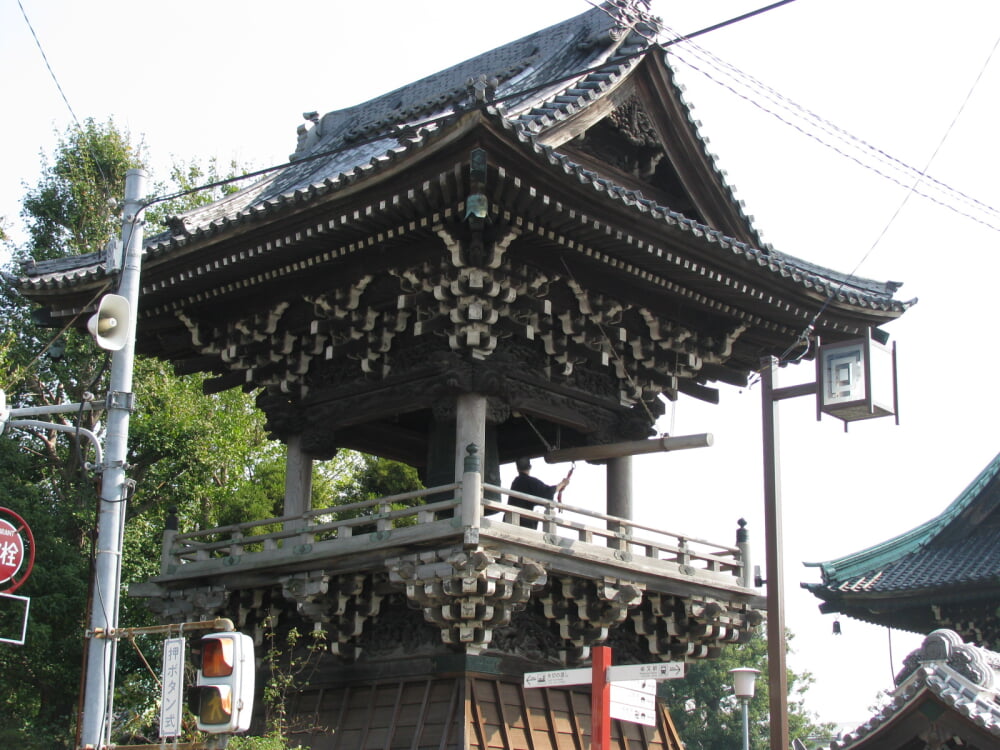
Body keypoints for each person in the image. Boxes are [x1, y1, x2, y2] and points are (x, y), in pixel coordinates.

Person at [509, 457, 570, 529]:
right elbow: (548, 492)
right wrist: (562, 484)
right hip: (522, 523)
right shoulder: (531, 482)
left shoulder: (515, 482)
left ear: (517, 468)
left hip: (509, 520)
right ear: (530, 467)